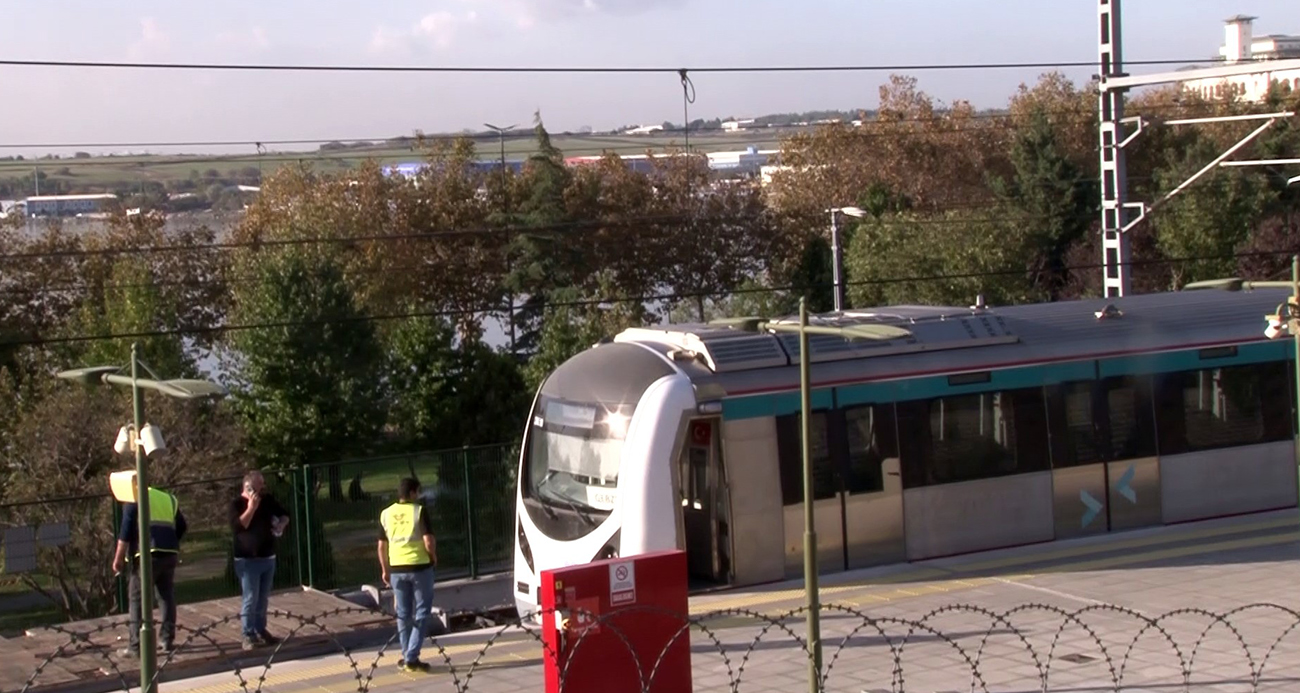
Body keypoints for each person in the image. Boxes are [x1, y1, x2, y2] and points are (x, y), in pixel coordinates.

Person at [112, 475, 187, 657]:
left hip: (146, 556)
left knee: (137, 598)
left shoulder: (134, 500)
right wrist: (169, 541)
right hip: (169, 554)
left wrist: (118, 559)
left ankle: (136, 646)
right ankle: (166, 639)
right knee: (165, 595)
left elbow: (125, 533)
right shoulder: (168, 498)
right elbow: (182, 526)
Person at [377, 478, 438, 673]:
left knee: (402, 614)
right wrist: (433, 557)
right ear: (412, 493)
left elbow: (381, 546)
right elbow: (428, 541)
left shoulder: (386, 514)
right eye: (417, 492)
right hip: (420, 567)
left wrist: (385, 569)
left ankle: (407, 655)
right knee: (422, 612)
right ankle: (411, 656)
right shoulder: (419, 511)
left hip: (396, 568)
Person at [230, 470, 290, 650]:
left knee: (262, 597)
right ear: (247, 486)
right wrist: (251, 507)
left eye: (262, 484)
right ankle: (247, 634)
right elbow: (239, 526)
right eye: (257, 485)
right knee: (250, 597)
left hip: (267, 556)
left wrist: (281, 523)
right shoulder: (237, 504)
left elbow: (285, 514)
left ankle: (260, 629)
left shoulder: (268, 500)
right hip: (248, 559)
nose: (261, 488)